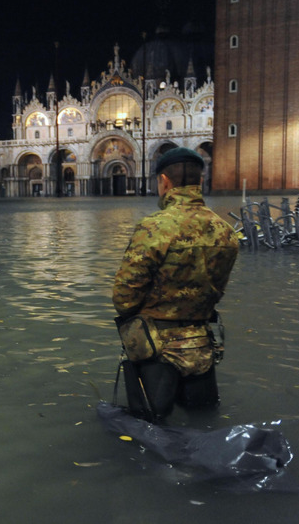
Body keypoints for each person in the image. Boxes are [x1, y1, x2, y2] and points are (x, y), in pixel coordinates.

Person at [112, 147, 239, 422]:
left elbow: (123, 298)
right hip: (203, 348)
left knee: (150, 429)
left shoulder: (154, 228)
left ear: (164, 181)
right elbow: (216, 291)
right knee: (203, 421)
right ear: (200, 182)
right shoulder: (225, 231)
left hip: (156, 352)